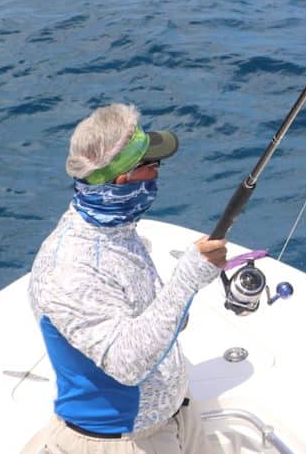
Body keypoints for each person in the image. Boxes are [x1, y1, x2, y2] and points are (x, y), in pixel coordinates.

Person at [22, 103, 227, 454]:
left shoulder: (116, 229)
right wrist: (185, 281)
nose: (159, 172)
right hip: (125, 443)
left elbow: (142, 315)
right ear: (123, 181)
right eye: (152, 165)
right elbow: (127, 364)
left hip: (175, 418)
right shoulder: (70, 268)